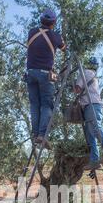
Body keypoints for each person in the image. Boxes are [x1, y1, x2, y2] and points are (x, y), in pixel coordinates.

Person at [26, 9, 66, 149]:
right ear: (54, 23)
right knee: (46, 105)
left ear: (41, 20)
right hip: (45, 74)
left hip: (30, 73)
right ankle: (42, 135)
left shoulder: (31, 32)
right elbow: (64, 47)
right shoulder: (56, 36)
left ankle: (35, 133)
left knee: (34, 105)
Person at [75, 57, 103, 170]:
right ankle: (95, 161)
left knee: (95, 128)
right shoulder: (93, 76)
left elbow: (78, 89)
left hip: (91, 105)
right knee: (90, 135)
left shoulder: (84, 73)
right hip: (93, 105)